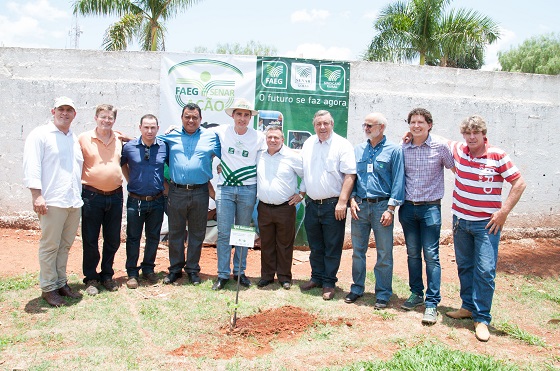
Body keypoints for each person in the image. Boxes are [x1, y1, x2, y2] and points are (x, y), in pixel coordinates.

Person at [446, 115, 526, 342]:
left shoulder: (498, 156)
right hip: (460, 221)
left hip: (486, 225)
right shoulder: (460, 150)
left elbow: (519, 183)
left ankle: (482, 319)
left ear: (483, 135)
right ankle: (468, 307)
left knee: (485, 270)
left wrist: (503, 213)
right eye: (467, 133)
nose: (471, 137)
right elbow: (437, 139)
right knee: (465, 266)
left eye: (475, 133)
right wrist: (412, 134)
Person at [23, 96, 84, 307]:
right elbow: (32, 166)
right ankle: (48, 288)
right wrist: (36, 195)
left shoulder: (73, 138)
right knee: (50, 245)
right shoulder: (40, 135)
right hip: (52, 200)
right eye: (61, 109)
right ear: (53, 111)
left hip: (73, 201)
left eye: (69, 110)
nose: (64, 113)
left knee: (65, 245)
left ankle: (61, 282)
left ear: (74, 114)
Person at [399, 108, 455, 324]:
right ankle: (416, 294)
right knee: (412, 253)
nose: (416, 126)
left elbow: (456, 169)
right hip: (408, 209)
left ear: (429, 124)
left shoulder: (440, 147)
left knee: (431, 255)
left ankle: (432, 303)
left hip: (431, 209)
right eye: (412, 122)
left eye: (421, 122)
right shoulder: (404, 147)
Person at [346, 113, 405, 309]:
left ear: (381, 127)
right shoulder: (358, 150)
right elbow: (352, 176)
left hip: (382, 207)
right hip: (360, 206)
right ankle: (357, 288)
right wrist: (352, 198)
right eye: (364, 125)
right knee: (358, 251)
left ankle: (383, 293)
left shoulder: (394, 150)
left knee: (384, 253)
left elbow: (398, 180)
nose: (366, 128)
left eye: (370, 125)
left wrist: (391, 208)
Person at [160, 103, 221, 286]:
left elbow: (228, 156)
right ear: (181, 118)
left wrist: (222, 166)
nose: (191, 120)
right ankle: (175, 270)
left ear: (200, 120)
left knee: (197, 233)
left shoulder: (211, 138)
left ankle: (193, 270)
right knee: (176, 232)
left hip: (200, 191)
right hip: (176, 191)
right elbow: (149, 139)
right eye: (187, 117)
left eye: (195, 117)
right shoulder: (171, 137)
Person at [299, 110, 356, 300]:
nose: (322, 127)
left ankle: (329, 283)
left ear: (332, 124)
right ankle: (316, 277)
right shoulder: (308, 144)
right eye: (318, 124)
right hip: (312, 204)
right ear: (314, 126)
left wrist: (342, 202)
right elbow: (307, 173)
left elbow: (350, 175)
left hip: (334, 205)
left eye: (326, 123)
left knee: (332, 245)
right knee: (315, 244)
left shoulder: (342, 144)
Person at [212, 98, 265, 290]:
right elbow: (198, 131)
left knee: (242, 232)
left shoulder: (259, 137)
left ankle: (240, 272)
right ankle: (223, 274)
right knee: (224, 233)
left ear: (250, 117)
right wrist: (174, 127)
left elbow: (265, 160)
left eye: (246, 115)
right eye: (239, 114)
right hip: (225, 188)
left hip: (248, 189)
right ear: (233, 115)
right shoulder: (221, 131)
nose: (242, 118)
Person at [79, 104, 124, 296]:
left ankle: (107, 275)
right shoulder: (83, 139)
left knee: (112, 239)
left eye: (110, 117)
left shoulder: (119, 138)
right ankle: (91, 278)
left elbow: (140, 139)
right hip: (91, 196)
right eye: (103, 117)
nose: (106, 120)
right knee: (90, 238)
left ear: (114, 120)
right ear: (95, 118)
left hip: (115, 195)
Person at [121, 114, 167, 289]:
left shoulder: (163, 147)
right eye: (146, 127)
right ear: (140, 127)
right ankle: (132, 273)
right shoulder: (129, 147)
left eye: (153, 127)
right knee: (133, 238)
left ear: (157, 129)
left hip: (157, 200)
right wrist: (130, 180)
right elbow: (122, 164)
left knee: (153, 237)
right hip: (136, 201)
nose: (149, 131)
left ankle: (148, 269)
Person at [256, 125, 304, 290]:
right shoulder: (259, 155)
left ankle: (284, 277)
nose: (273, 140)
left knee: (284, 244)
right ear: (266, 139)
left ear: (282, 140)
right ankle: (267, 276)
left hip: (285, 208)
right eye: (270, 137)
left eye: (276, 137)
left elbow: (305, 175)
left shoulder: (291, 156)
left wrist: (301, 194)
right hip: (263, 207)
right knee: (267, 243)